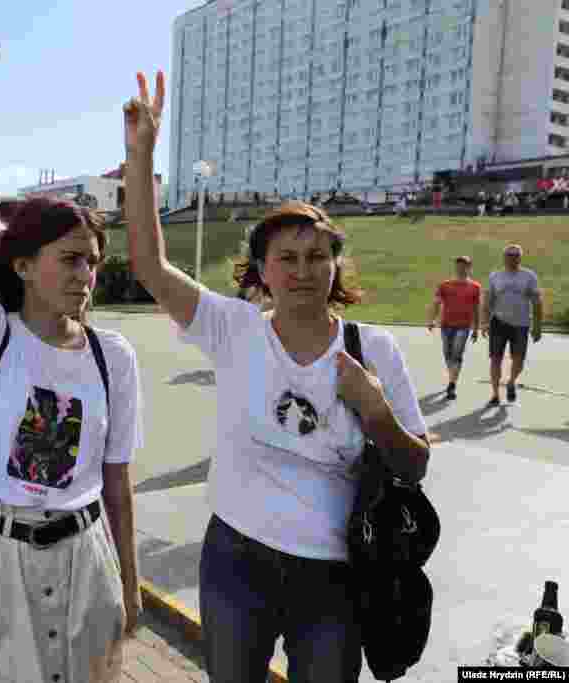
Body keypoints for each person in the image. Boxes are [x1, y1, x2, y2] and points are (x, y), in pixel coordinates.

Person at [122, 70, 430, 682]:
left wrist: (373, 407)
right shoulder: (233, 329)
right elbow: (149, 266)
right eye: (286, 259)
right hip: (235, 559)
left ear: (336, 265)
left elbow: (414, 465)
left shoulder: (374, 350)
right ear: (261, 271)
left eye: (318, 257)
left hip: (334, 575)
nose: (303, 270)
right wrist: (141, 156)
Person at [0, 35, 144, 683]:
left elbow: (118, 483)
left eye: (94, 260)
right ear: (22, 265)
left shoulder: (113, 357)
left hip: (85, 563)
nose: (87, 273)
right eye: (70, 258)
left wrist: (128, 581)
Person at [481, 244, 543, 407]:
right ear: (504, 257)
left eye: (516, 255)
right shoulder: (495, 276)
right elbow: (489, 300)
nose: (512, 258)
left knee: (519, 360)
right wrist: (485, 321)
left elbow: (537, 302)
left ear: (520, 257)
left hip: (521, 324)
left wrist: (537, 326)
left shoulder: (529, 276)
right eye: (509, 255)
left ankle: (511, 381)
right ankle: (495, 394)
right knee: (495, 359)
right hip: (498, 322)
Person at [428, 256, 481, 400]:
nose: (461, 268)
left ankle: (452, 384)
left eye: (464, 266)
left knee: (457, 354)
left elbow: (476, 309)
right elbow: (436, 303)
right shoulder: (445, 285)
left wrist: (476, 328)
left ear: (469, 268)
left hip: (463, 326)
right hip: (446, 325)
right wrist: (432, 320)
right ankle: (452, 377)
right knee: (448, 354)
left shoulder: (475, 287)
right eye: (459, 266)